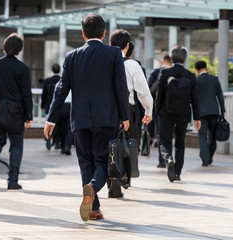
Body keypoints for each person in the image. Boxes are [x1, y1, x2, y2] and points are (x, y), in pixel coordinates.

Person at [44, 14, 129, 222]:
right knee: (102, 160)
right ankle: (92, 188)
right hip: (105, 117)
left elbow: (61, 89)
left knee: (85, 162)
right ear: (104, 33)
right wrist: (125, 116)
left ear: (82, 33)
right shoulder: (114, 53)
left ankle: (93, 209)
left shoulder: (71, 57)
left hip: (80, 119)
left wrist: (51, 119)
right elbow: (121, 88)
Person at [0, 33, 33, 190]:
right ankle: (12, 181)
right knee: (16, 145)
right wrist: (29, 115)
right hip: (16, 113)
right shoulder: (23, 69)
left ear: (4, 48)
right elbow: (27, 94)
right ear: (19, 50)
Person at [108, 29, 153, 198]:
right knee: (129, 144)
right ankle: (122, 178)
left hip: (105, 109)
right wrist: (148, 110)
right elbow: (143, 92)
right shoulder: (132, 65)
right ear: (127, 46)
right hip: (127, 109)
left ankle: (112, 180)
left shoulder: (104, 62)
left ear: (110, 44)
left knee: (110, 144)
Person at [156, 46, 200, 182]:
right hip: (183, 114)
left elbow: (159, 96)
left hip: (166, 113)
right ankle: (177, 173)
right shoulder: (190, 75)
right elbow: (195, 99)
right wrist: (197, 118)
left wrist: (157, 112)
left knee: (165, 141)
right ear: (185, 59)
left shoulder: (164, 73)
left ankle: (168, 159)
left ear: (171, 57)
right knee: (180, 143)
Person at [195, 60, 226, 166]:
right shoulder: (214, 79)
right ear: (206, 68)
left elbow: (193, 99)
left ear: (197, 70)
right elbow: (220, 96)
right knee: (212, 135)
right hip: (214, 112)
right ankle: (210, 157)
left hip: (201, 113)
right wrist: (223, 110)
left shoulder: (196, 81)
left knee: (202, 135)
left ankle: (205, 159)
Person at [148, 54, 173, 168]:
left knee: (160, 133)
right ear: (172, 62)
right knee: (170, 135)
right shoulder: (175, 72)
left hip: (158, 107)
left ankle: (162, 161)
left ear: (162, 61)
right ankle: (170, 158)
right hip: (173, 108)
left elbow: (148, 88)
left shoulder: (156, 72)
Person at [41, 63, 62, 150]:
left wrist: (42, 106)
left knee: (49, 121)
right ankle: (57, 142)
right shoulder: (62, 80)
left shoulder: (47, 81)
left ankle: (48, 135)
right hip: (60, 106)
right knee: (59, 124)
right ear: (59, 70)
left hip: (49, 105)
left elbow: (44, 94)